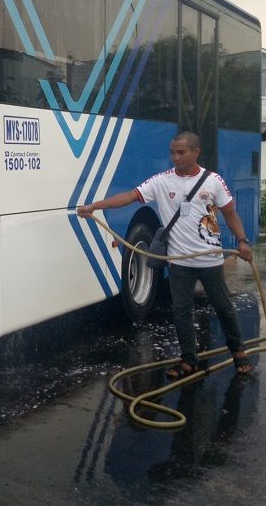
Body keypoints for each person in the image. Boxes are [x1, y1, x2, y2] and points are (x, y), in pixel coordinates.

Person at [77, 131, 254, 379]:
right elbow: (129, 197)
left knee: (223, 307)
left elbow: (230, 213)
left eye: (181, 153)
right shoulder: (161, 181)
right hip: (179, 261)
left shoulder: (213, 181)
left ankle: (238, 353)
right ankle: (188, 359)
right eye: (172, 152)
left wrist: (243, 241)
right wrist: (95, 206)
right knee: (181, 312)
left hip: (209, 259)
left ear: (196, 152)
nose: (175, 157)